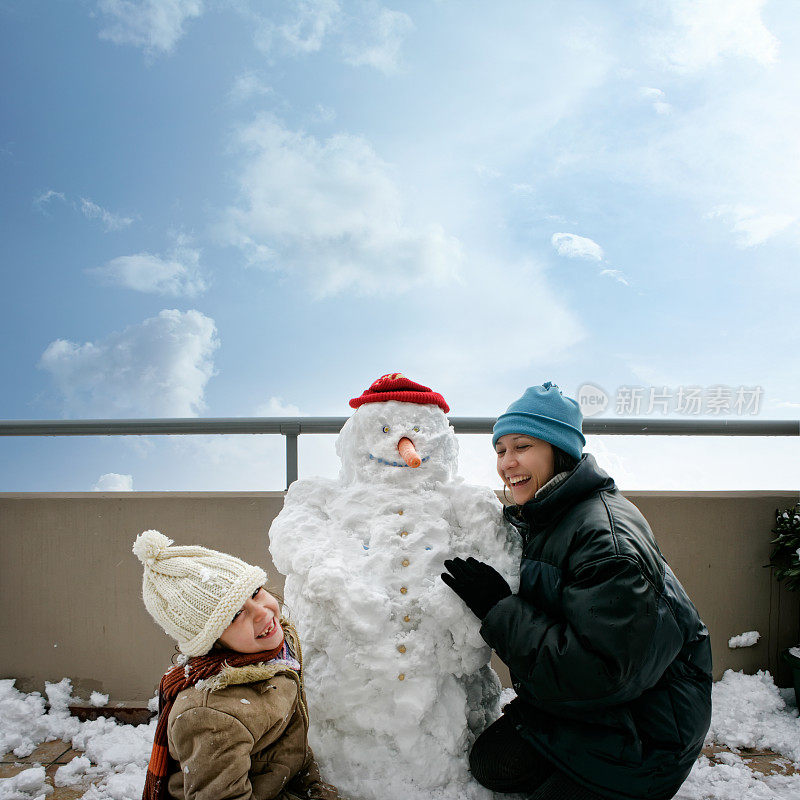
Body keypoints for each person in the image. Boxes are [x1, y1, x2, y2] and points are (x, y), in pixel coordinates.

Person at [441, 381, 712, 800]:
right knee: (492, 763)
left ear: (558, 449)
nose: (507, 463)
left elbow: (603, 674)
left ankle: (637, 786)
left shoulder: (606, 542)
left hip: (647, 730)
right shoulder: (553, 513)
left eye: (522, 446)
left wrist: (500, 609)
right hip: (601, 712)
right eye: (500, 450)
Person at [132, 529, 340, 800]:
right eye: (235, 615)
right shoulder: (211, 716)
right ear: (210, 642)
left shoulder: (275, 648)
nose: (263, 612)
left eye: (255, 592)